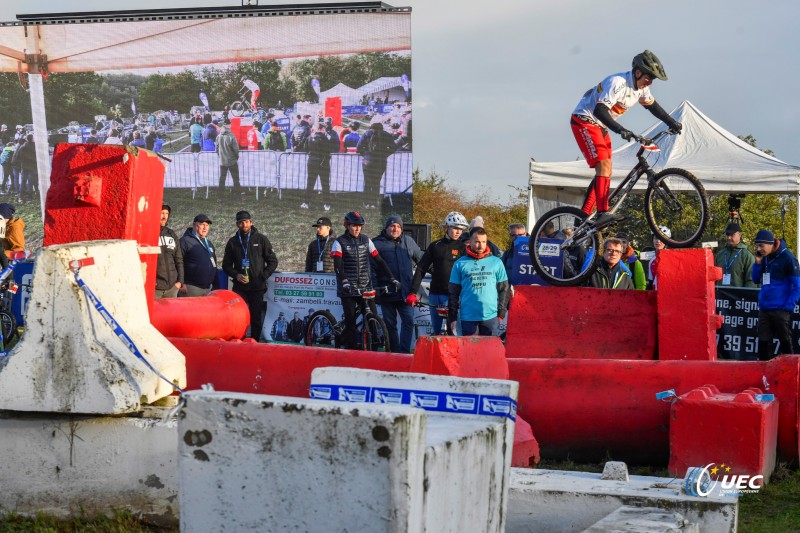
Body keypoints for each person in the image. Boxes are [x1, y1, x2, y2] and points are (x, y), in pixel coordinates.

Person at [572, 50, 682, 228]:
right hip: (584, 120)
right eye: (649, 77)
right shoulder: (618, 83)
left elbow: (652, 106)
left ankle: (582, 217)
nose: (651, 82)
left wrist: (672, 122)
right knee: (603, 166)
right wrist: (621, 130)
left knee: (605, 171)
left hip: (601, 125)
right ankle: (601, 213)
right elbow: (600, 110)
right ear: (638, 72)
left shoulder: (642, 88)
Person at [331, 211, 398, 349]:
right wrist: (344, 281)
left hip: (365, 286)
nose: (357, 229)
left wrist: (392, 278)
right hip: (348, 287)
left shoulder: (366, 240)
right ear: (347, 225)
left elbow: (379, 260)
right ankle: (350, 352)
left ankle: (373, 349)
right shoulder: (339, 242)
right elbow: (337, 266)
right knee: (351, 323)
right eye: (354, 226)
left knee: (373, 318)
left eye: (360, 226)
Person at [407, 211, 468, 335]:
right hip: (435, 294)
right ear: (447, 227)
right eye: (455, 228)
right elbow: (421, 268)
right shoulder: (435, 246)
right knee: (436, 333)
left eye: (461, 229)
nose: (458, 232)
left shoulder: (463, 248)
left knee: (454, 333)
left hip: (453, 297)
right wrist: (412, 292)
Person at [222, 210, 279, 342]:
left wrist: (263, 276)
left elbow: (273, 261)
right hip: (240, 288)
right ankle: (238, 340)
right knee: (238, 317)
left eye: (246, 221)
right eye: (241, 222)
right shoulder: (232, 242)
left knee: (256, 317)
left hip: (257, 287)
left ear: (251, 222)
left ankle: (254, 342)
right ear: (237, 224)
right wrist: (236, 275)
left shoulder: (261, 239)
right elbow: (226, 265)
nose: (244, 224)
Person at [371, 215, 423, 353]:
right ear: (386, 227)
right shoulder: (376, 243)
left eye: (398, 226)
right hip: (386, 292)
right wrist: (375, 288)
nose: (395, 229)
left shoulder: (408, 241)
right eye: (392, 226)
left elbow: (422, 261)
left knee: (409, 322)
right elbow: (372, 268)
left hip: (405, 292)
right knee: (390, 324)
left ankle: (404, 352)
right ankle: (394, 353)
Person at [448, 227, 509, 336]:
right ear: (469, 242)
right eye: (477, 242)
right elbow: (453, 293)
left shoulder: (497, 262)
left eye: (484, 242)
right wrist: (452, 317)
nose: (481, 245)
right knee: (470, 351)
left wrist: (501, 313)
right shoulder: (459, 263)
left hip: (491, 317)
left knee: (489, 352)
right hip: (468, 317)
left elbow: (504, 289)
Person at [751, 229, 800, 360]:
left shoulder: (788, 258)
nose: (758, 248)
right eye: (756, 245)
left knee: (785, 344)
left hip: (781, 310)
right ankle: (763, 375)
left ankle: (790, 374)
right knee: (763, 345)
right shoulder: (764, 258)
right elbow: (755, 279)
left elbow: (797, 287)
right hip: (765, 309)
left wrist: (788, 307)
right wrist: (758, 262)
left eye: (761, 245)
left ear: (770, 243)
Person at [356, 123, 396, 208]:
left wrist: (365, 155)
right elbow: (394, 147)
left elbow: (358, 147)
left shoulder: (366, 134)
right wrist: (385, 154)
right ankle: (374, 203)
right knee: (376, 182)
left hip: (367, 162)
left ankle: (366, 203)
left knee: (367, 182)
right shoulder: (386, 135)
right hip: (381, 161)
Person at [179, 214, 218, 297]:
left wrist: (215, 285)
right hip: (191, 288)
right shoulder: (185, 241)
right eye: (202, 224)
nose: (205, 228)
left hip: (208, 288)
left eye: (207, 225)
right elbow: (177, 262)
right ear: (194, 225)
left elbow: (214, 264)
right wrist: (181, 282)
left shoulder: (209, 243)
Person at [155, 204, 184, 298]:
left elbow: (179, 259)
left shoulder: (171, 234)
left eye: (167, 213)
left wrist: (180, 282)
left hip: (172, 288)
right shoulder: (149, 233)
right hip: (155, 289)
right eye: (162, 213)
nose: (164, 217)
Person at [714, 222, 756, 288]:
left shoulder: (747, 256)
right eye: (727, 235)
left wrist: (745, 296)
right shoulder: (720, 255)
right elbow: (713, 278)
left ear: (740, 235)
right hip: (720, 296)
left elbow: (751, 281)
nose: (729, 238)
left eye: (732, 235)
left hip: (737, 296)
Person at [303, 122, 333, 211]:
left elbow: (305, 148)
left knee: (310, 183)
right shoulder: (325, 139)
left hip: (312, 162)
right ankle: (326, 204)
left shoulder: (310, 137)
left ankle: (306, 202)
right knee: (325, 184)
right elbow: (329, 150)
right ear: (322, 128)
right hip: (323, 163)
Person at [216, 125, 241, 194]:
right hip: (232, 161)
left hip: (222, 161)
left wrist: (220, 156)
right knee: (235, 178)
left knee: (222, 178)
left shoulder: (218, 136)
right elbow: (236, 149)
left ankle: (220, 193)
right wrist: (236, 157)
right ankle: (237, 192)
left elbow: (217, 149)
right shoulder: (231, 136)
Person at [647, 226, 670, 290]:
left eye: (661, 238)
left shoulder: (671, 259)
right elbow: (650, 283)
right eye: (656, 238)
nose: (658, 241)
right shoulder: (652, 261)